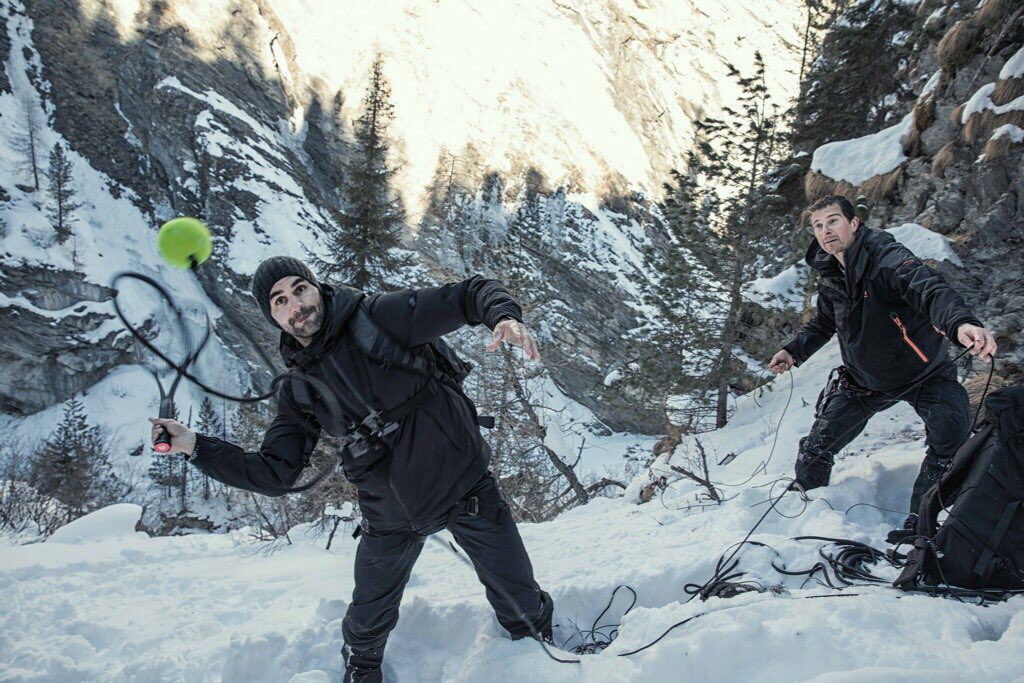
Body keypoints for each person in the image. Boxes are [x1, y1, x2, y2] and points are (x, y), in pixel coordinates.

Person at [149, 257, 552, 682]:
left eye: (299, 289)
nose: (295, 305)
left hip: (464, 487)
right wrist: (195, 446)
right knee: (365, 627)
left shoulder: (379, 318)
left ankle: (542, 660)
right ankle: (362, 673)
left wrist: (503, 316)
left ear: (316, 287)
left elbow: (470, 293)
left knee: (522, 607)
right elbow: (274, 474)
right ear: (273, 316)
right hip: (392, 515)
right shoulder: (300, 388)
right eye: (280, 300)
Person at [768, 195, 997, 543]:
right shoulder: (829, 271)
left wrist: (961, 324)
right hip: (864, 381)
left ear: (854, 223)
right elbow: (825, 322)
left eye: (833, 221)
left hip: (926, 375)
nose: (826, 231)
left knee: (951, 434)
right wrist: (792, 351)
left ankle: (922, 525)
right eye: (818, 225)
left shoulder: (887, 258)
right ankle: (804, 511)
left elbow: (929, 289)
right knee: (816, 448)